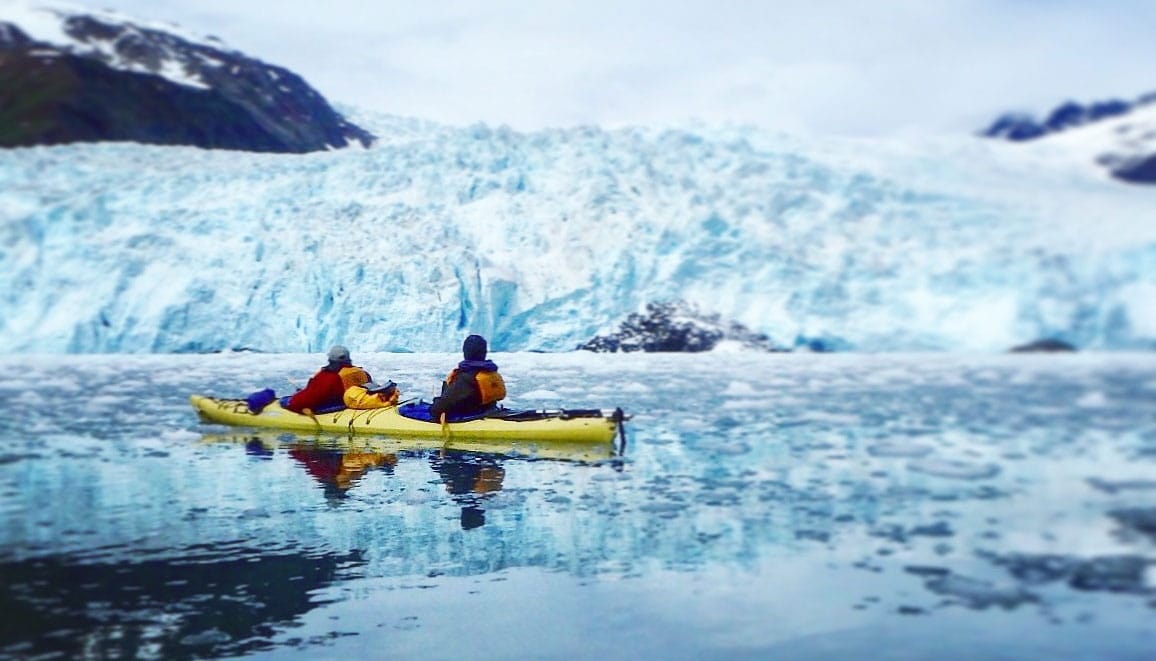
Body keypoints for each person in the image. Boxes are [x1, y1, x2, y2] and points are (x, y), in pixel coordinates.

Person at [429, 334, 506, 421]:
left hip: (469, 417)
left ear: (465, 352)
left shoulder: (466, 379)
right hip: (488, 411)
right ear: (484, 353)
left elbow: (438, 410)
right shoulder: (490, 372)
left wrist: (436, 402)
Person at [285, 345, 371, 414]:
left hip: (336, 407)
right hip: (357, 403)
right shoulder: (362, 372)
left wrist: (294, 401)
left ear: (330, 359)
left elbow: (303, 401)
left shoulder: (328, 376)